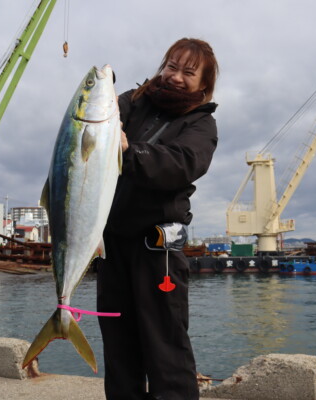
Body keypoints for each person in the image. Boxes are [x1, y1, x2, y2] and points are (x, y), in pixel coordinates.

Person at [97, 38, 219, 400]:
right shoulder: (133, 101)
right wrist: (102, 91)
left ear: (203, 85)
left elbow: (180, 165)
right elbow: (98, 115)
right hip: (113, 245)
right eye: (171, 66)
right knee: (118, 348)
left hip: (158, 250)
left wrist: (127, 150)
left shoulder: (201, 124)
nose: (176, 76)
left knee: (165, 347)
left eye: (188, 72)